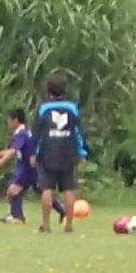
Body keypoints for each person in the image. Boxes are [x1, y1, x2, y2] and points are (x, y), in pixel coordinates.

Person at [31, 74, 88, 233]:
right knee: (68, 189)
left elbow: (37, 133)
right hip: (68, 153)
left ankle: (46, 225)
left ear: (48, 90)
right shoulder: (72, 108)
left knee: (47, 189)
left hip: (47, 153)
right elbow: (78, 132)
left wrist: (33, 153)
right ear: (65, 89)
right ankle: (69, 225)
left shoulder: (43, 108)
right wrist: (81, 151)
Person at [0, 108, 66, 225]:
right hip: (30, 166)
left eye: (9, 120)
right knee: (41, 191)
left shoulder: (21, 134)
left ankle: (17, 217)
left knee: (13, 190)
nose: (8, 123)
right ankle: (62, 211)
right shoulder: (24, 132)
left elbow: (13, 151)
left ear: (16, 120)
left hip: (27, 167)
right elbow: (13, 149)